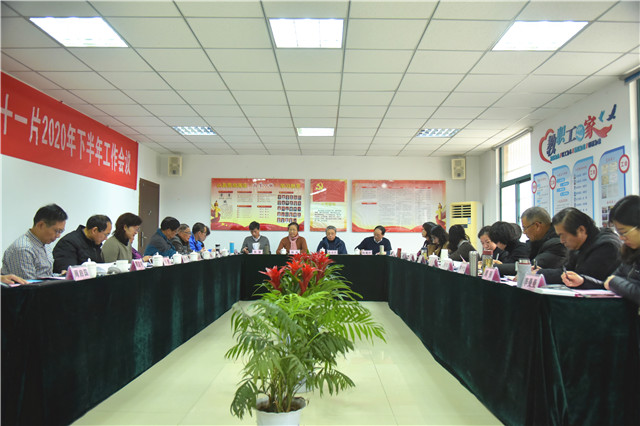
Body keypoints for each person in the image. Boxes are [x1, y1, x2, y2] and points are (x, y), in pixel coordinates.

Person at [563, 195, 640, 304]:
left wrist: (614, 282)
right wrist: (583, 281)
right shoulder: (630, 253)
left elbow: (615, 282)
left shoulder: (607, 245)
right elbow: (607, 283)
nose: (621, 238)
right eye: (619, 233)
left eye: (624, 232)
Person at [538, 207, 621, 285]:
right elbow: (566, 271)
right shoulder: (579, 244)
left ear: (581, 230)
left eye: (563, 235)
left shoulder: (606, 246)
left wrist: (541, 274)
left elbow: (580, 277)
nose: (562, 241)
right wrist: (540, 272)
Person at [1, 204, 68, 279]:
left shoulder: (45, 244)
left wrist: (61, 276)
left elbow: (45, 275)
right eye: (57, 231)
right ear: (41, 225)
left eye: (61, 232)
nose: (58, 236)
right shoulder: (23, 249)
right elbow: (28, 284)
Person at [520, 206, 567, 271]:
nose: (524, 232)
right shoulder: (536, 241)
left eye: (525, 228)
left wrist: (503, 268)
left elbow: (530, 267)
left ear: (537, 226)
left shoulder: (557, 244)